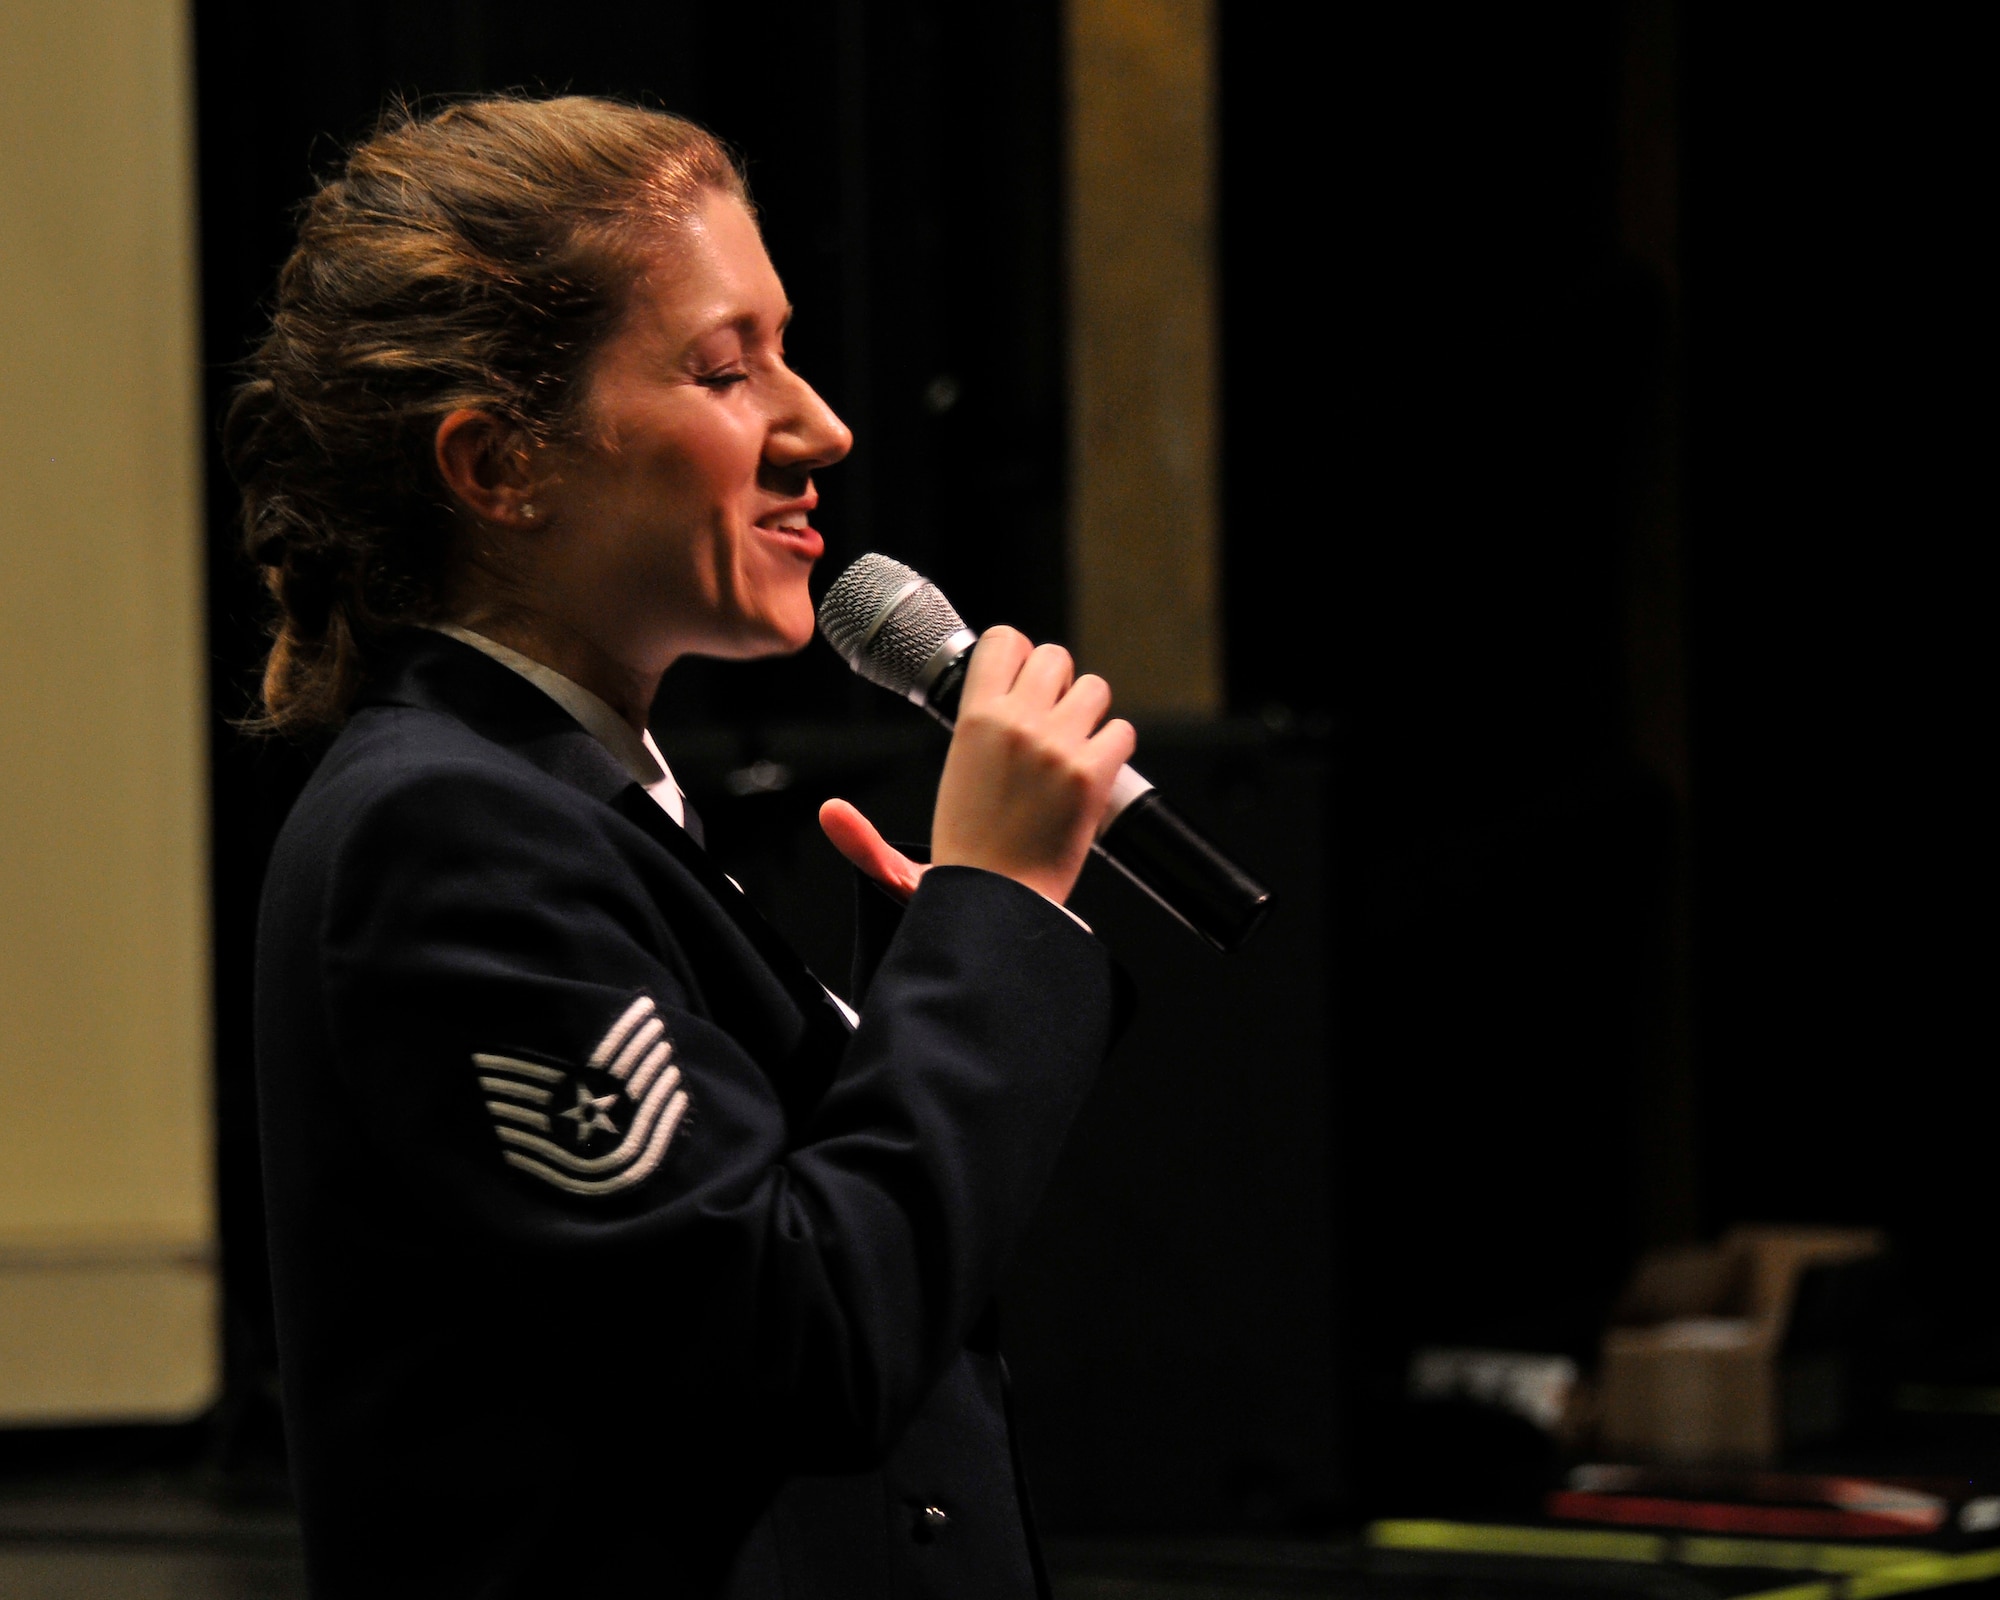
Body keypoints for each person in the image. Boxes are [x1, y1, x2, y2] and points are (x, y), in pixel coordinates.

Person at [229, 94, 1135, 1598]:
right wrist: (992, 920)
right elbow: (802, 1341)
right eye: (727, 370)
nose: (820, 427)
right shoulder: (446, 834)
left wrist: (921, 991)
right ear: (499, 466)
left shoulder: (580, 792)